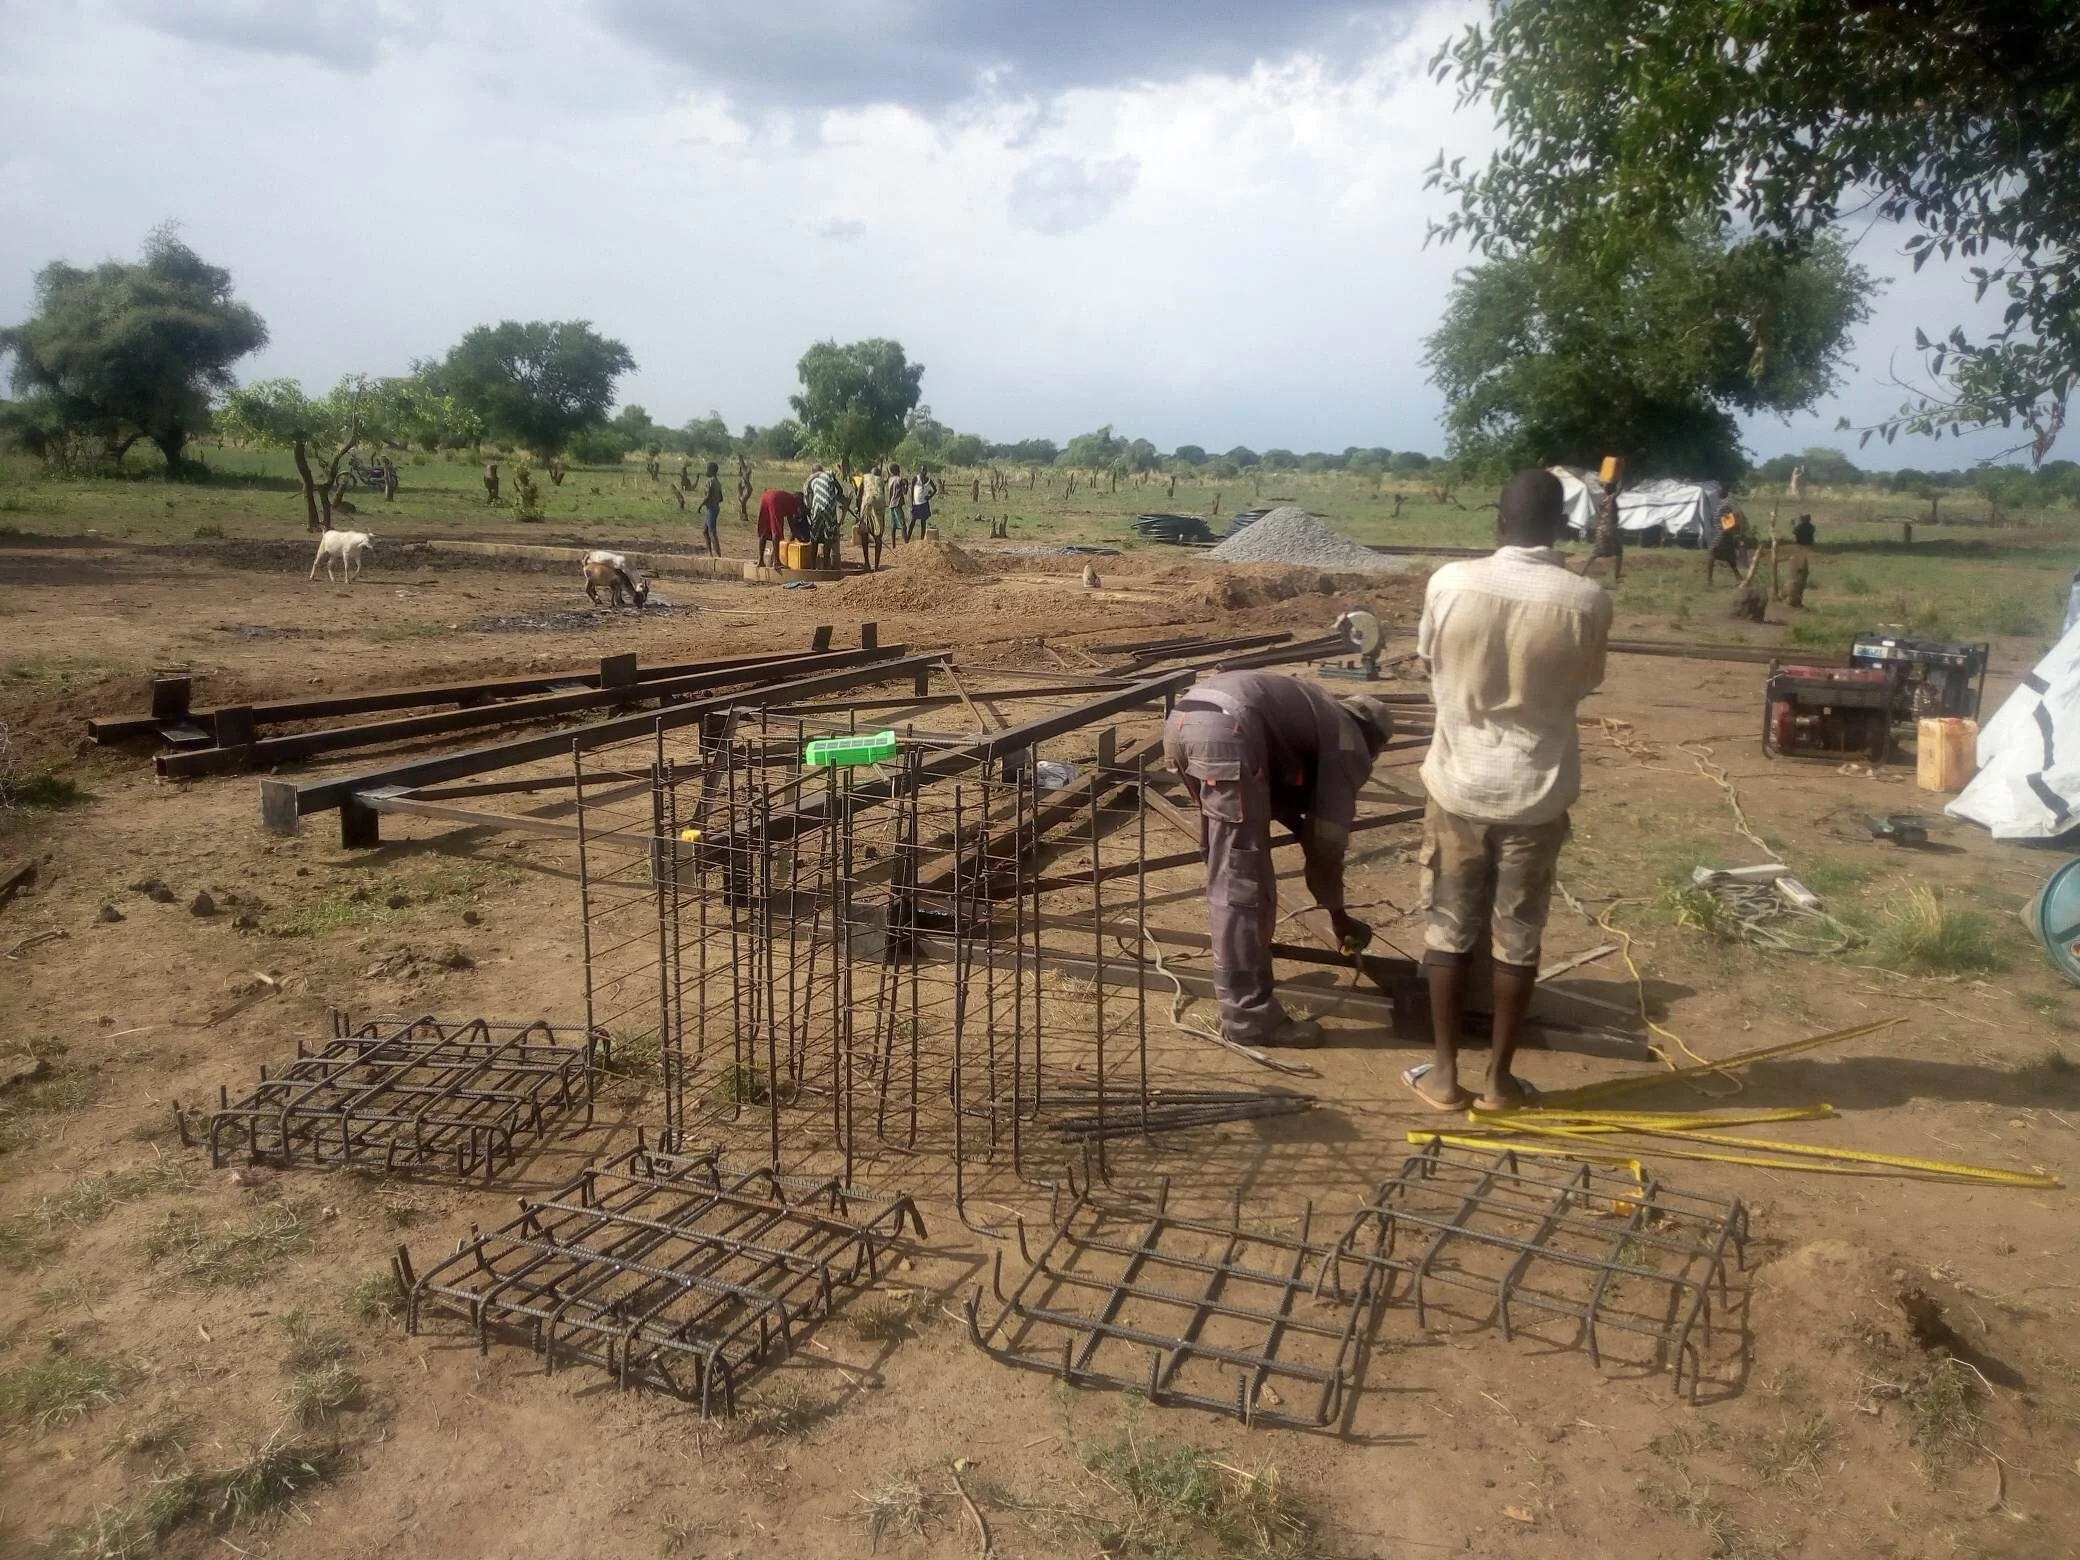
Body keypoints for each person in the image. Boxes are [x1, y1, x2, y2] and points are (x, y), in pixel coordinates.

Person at [1406, 468, 1612, 1111]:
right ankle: (1498, 1081)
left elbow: (1428, 659)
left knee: (1447, 928)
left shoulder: (1450, 583)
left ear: (1498, 521)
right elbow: (1585, 683)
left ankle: (1443, 1077)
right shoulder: (1586, 600)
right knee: (1518, 934)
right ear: (1562, 528)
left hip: (1458, 784)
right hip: (1536, 790)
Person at [1162, 673, 1396, 1050]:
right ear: (1374, 739)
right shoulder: (1349, 741)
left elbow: (1284, 802)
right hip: (1228, 732)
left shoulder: (1316, 712)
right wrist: (1338, 915)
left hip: (1183, 721)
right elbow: (1326, 846)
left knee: (1232, 866)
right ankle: (1248, 1018)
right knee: (1239, 881)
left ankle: (1246, 968)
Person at [1578, 485, 1623, 581]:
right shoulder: (1611, 499)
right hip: (1609, 529)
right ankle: (1616, 575)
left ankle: (1582, 572)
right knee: (1614, 552)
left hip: (1601, 529)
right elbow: (1620, 489)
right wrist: (1621, 476)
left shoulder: (1603, 501)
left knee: (1597, 553)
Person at [805, 462, 843, 569]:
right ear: (821, 470)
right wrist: (835, 497)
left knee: (814, 537)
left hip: (816, 507)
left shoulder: (810, 481)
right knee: (829, 536)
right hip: (829, 507)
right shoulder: (829, 475)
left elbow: (808, 503)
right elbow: (840, 490)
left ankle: (813, 567)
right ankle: (825, 566)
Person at [755, 486, 802, 569]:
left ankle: (760, 561)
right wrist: (795, 534)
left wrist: (793, 533)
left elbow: (789, 518)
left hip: (765, 496)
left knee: (764, 531)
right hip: (775, 500)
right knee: (776, 531)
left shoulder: (788, 498)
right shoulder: (795, 501)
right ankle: (776, 562)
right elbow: (790, 519)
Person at [856, 464, 886, 572]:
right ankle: (877, 566)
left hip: (868, 503)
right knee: (878, 536)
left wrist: (858, 509)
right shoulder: (881, 480)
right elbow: (883, 496)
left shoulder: (865, 477)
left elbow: (859, 495)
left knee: (864, 532)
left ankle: (867, 563)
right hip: (880, 504)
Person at [1705, 503, 1744, 585]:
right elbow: (1736, 528)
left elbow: (1726, 528)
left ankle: (1709, 580)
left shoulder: (1725, 510)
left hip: (1722, 538)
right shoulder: (1730, 509)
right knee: (1731, 560)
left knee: (1711, 556)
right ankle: (1740, 579)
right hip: (1729, 539)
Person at [699, 461, 723, 557]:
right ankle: (710, 553)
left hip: (711, 509)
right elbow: (721, 498)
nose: (706, 471)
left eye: (708, 469)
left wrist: (701, 505)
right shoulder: (718, 482)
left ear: (712, 470)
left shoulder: (710, 481)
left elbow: (708, 495)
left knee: (712, 532)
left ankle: (718, 556)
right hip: (715, 508)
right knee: (705, 531)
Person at [908, 466, 936, 541]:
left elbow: (935, 490)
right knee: (912, 521)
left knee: (923, 522)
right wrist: (911, 503)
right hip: (916, 504)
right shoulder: (915, 479)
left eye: (925, 470)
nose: (923, 472)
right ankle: (907, 539)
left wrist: (929, 497)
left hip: (924, 503)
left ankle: (921, 540)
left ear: (926, 471)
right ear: (920, 470)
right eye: (922, 470)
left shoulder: (928, 480)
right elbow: (911, 491)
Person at [885, 462, 907, 544]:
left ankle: (893, 545)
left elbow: (890, 494)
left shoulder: (890, 480)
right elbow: (905, 492)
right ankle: (906, 544)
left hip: (891, 504)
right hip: (897, 504)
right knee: (903, 525)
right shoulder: (899, 479)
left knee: (893, 526)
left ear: (890, 471)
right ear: (898, 470)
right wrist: (906, 485)